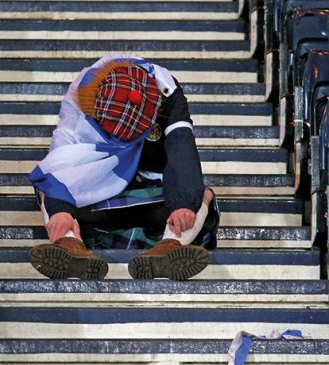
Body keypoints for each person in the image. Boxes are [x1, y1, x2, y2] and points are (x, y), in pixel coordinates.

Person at [27, 53, 220, 281]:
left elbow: (181, 148)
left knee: (201, 194)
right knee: (48, 187)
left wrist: (184, 205)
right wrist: (60, 210)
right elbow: (61, 159)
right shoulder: (78, 100)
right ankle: (71, 246)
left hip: (151, 193)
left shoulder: (168, 94)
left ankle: (170, 247)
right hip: (97, 195)